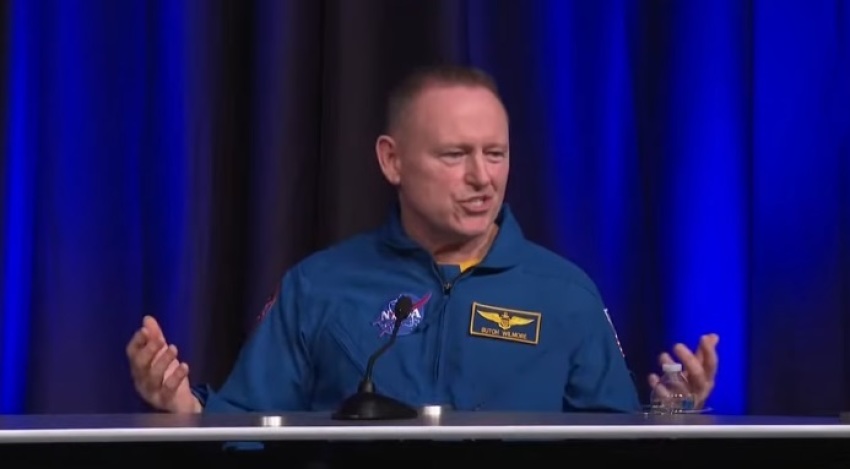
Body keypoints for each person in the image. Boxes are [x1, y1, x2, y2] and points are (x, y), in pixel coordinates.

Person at [126, 65, 719, 414]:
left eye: (495, 154)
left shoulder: (566, 295)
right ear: (393, 160)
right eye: (455, 155)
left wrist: (671, 413)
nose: (482, 178)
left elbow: (615, 443)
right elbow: (244, 430)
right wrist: (183, 408)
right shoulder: (319, 286)